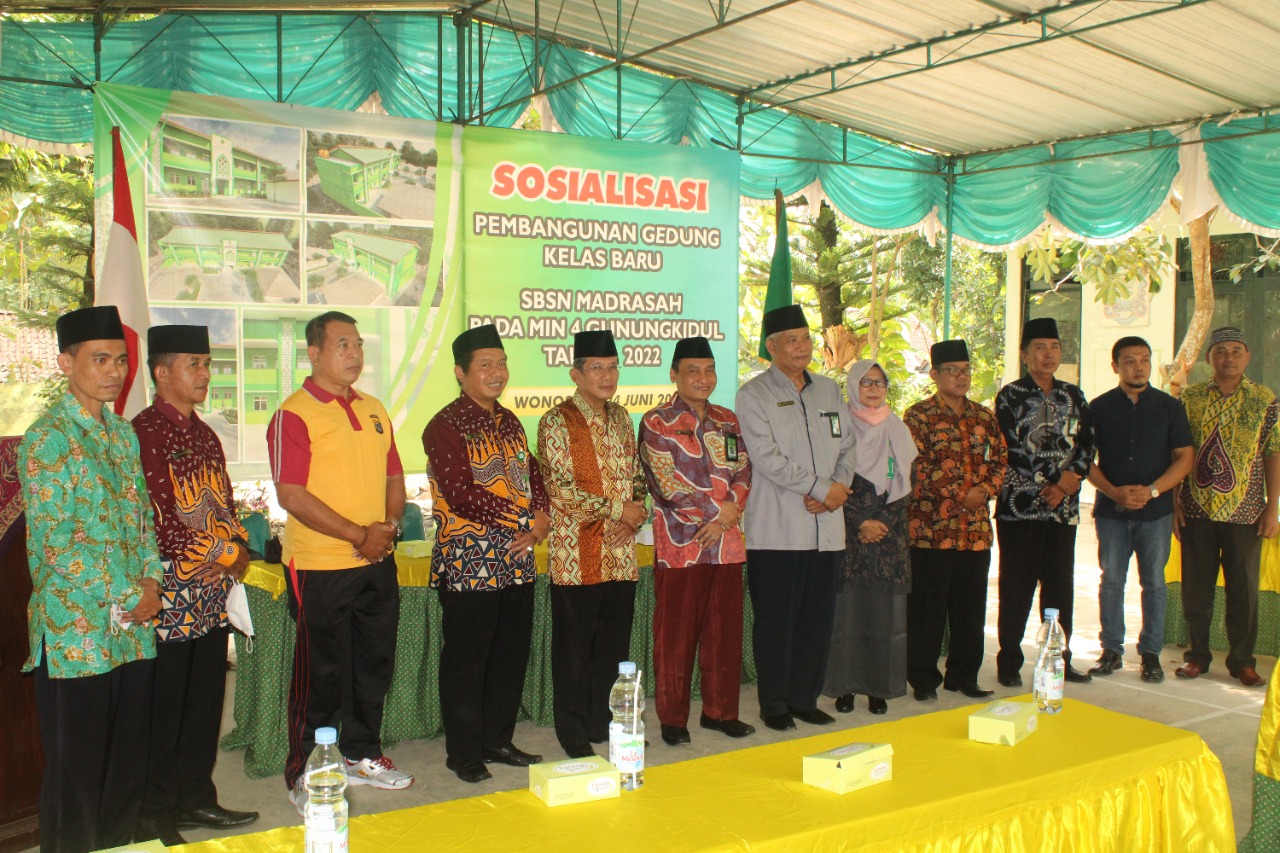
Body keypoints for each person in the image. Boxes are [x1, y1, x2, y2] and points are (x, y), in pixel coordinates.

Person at [19, 305, 165, 853]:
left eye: (122, 360)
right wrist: (133, 594)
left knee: (127, 759)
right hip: (76, 630)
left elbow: (142, 520)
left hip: (131, 625)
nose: (114, 371)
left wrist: (151, 585)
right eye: (99, 359)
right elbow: (60, 546)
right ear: (65, 362)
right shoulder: (48, 440)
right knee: (77, 771)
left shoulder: (122, 433)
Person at [267, 310, 413, 810]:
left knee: (373, 663)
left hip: (376, 561)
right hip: (320, 565)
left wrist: (388, 529)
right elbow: (291, 494)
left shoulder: (373, 408)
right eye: (342, 345)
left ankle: (361, 754)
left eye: (358, 345)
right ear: (314, 353)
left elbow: (395, 477)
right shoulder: (295, 413)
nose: (354, 354)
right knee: (321, 674)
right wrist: (358, 534)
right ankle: (305, 772)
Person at [131, 325, 259, 845]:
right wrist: (219, 553)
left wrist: (234, 553)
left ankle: (197, 798)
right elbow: (157, 517)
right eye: (194, 364)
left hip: (210, 595)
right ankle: (156, 813)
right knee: (166, 706)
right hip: (169, 595)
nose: (205, 374)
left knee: (207, 701)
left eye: (207, 364)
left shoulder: (204, 433)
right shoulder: (143, 431)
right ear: (162, 372)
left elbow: (224, 505)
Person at [423, 324, 550, 784]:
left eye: (502, 363)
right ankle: (463, 752)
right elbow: (460, 494)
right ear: (460, 372)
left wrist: (542, 516)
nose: (497, 373)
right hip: (469, 561)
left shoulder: (511, 421)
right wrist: (524, 521)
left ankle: (497, 739)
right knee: (468, 659)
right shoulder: (444, 426)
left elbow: (532, 473)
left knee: (508, 655)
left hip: (516, 559)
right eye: (486, 365)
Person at [736, 304, 857, 731]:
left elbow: (847, 446)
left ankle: (806, 697)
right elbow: (767, 458)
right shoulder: (753, 395)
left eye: (806, 339)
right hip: (778, 531)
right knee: (777, 622)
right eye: (792, 340)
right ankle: (775, 704)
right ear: (771, 347)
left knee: (816, 619)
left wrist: (836, 491)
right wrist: (821, 489)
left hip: (827, 528)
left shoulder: (828, 391)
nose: (802, 347)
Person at [537, 329, 648, 758]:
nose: (607, 375)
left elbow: (638, 478)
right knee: (575, 649)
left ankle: (605, 723)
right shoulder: (556, 420)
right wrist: (621, 511)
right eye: (597, 368)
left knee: (612, 646)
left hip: (620, 553)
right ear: (576, 374)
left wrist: (637, 514)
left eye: (613, 366)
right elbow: (559, 490)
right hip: (575, 554)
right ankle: (573, 732)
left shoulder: (622, 417)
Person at [639, 336, 754, 746]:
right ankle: (673, 719)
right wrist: (713, 513)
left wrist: (729, 513)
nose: (702, 378)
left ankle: (720, 712)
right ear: (674, 375)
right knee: (677, 634)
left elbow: (744, 469)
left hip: (727, 543)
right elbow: (664, 483)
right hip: (681, 543)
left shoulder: (727, 419)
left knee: (724, 633)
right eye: (693, 370)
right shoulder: (656, 421)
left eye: (709, 370)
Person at [1174, 326, 1280, 686]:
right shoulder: (1190, 400)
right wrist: (1174, 501)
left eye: (1237, 351)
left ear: (1247, 357)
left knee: (1243, 591)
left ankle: (1242, 662)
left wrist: (1272, 506)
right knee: (1196, 588)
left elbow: (1272, 454)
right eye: (1221, 351)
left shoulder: (1264, 400)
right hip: (1196, 510)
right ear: (1209, 359)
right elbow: (1175, 454)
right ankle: (1197, 656)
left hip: (1247, 513)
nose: (1229, 357)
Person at [994, 317, 1096, 687]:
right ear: (1024, 355)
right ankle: (1009, 662)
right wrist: (1054, 481)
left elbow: (1088, 443)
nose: (1048, 354)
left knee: (1059, 586)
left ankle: (1059, 659)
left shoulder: (1075, 395)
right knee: (1016, 586)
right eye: (1040, 347)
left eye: (1053, 347)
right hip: (1020, 508)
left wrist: (1069, 483)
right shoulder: (1010, 396)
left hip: (1063, 512)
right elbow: (1012, 449)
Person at [904, 339, 1006, 702]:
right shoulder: (918, 416)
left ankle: (963, 676)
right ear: (935, 374)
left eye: (965, 370)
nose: (961, 377)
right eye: (952, 371)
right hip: (931, 531)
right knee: (927, 611)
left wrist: (985, 490)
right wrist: (960, 494)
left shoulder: (984, 417)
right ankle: (923, 679)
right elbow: (917, 467)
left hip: (975, 533)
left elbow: (1000, 461)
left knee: (970, 611)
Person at [1086, 336, 1193, 683]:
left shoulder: (1169, 407)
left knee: (1154, 584)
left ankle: (1150, 653)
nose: (1139, 367)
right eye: (1130, 361)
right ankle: (1111, 650)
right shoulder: (1099, 408)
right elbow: (1085, 461)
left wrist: (1152, 491)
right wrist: (1114, 492)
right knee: (1112, 581)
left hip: (1155, 513)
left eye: (1145, 360)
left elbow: (1185, 458)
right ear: (1116, 366)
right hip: (1112, 513)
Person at [823, 360, 917, 715]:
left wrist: (881, 522)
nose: (874, 388)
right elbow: (829, 479)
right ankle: (845, 688)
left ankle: (879, 688)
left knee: (884, 617)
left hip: (888, 539)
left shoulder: (899, 429)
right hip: (846, 535)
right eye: (866, 382)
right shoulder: (837, 428)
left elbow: (908, 484)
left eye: (880, 382)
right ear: (852, 386)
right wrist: (860, 521)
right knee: (845, 616)